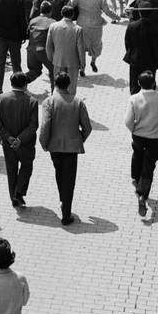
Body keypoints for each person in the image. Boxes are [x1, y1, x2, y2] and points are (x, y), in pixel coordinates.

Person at [38, 72, 92, 225]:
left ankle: (63, 200)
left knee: (59, 173)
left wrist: (44, 143)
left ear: (55, 84)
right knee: (69, 179)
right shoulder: (78, 102)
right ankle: (66, 212)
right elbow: (87, 127)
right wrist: (79, 139)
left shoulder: (49, 102)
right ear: (69, 84)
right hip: (71, 147)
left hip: (54, 147)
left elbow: (45, 125)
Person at [125, 70, 158, 217]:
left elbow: (128, 122)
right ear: (154, 83)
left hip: (138, 137)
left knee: (137, 156)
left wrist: (134, 130)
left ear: (138, 83)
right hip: (155, 139)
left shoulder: (134, 99)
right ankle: (143, 195)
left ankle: (136, 182)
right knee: (149, 167)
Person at [0, 72, 39, 207]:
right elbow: (33, 125)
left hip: (8, 144)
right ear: (25, 85)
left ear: (11, 83)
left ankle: (14, 197)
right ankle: (19, 192)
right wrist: (20, 139)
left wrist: (8, 137)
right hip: (26, 143)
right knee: (26, 166)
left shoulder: (0, 99)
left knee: (11, 169)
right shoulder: (32, 102)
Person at [72, 0, 112, 75]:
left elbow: (69, 5)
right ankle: (93, 61)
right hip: (96, 26)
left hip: (81, 25)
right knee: (96, 45)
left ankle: (82, 68)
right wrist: (118, 17)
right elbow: (108, 12)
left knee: (81, 47)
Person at [44, 5, 85, 94]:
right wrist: (82, 63)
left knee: (58, 85)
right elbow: (81, 48)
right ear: (73, 15)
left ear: (62, 13)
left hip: (58, 61)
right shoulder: (78, 29)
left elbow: (48, 45)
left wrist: (51, 58)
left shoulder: (53, 26)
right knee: (72, 87)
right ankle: (70, 104)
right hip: (73, 62)